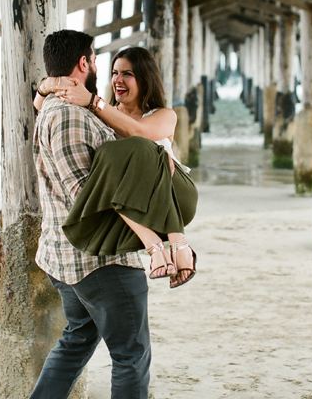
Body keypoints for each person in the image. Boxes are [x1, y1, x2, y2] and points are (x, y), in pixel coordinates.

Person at [31, 30, 150, 399]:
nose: (101, 69)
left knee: (77, 341)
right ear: (84, 63)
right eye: (97, 60)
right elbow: (87, 198)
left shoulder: (56, 107)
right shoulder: (70, 117)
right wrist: (155, 238)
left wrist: (50, 84)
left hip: (68, 259)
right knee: (131, 354)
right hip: (99, 261)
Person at [35, 47, 198, 288]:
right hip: (133, 200)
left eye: (128, 74)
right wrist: (49, 84)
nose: (117, 80)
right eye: (114, 72)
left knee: (139, 150)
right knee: (108, 167)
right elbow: (40, 105)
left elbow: (138, 133)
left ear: (145, 79)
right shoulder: (104, 113)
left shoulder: (164, 115)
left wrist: (92, 101)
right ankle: (156, 247)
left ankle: (178, 241)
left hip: (173, 193)